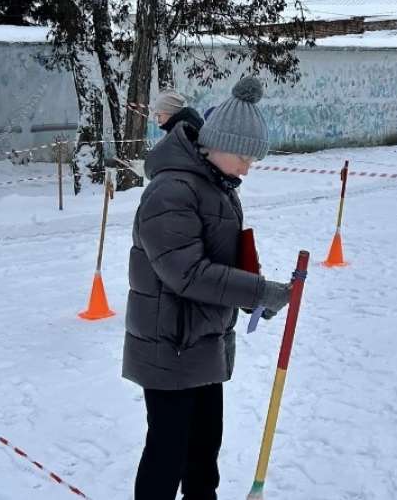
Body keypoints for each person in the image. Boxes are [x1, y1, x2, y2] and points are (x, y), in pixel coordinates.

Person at [123, 76, 292, 500]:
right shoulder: (171, 191)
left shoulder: (216, 186)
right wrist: (258, 291)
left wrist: (253, 287)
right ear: (215, 144)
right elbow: (188, 273)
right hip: (170, 344)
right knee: (168, 455)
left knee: (203, 455)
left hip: (203, 340)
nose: (247, 167)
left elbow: (220, 258)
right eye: (243, 156)